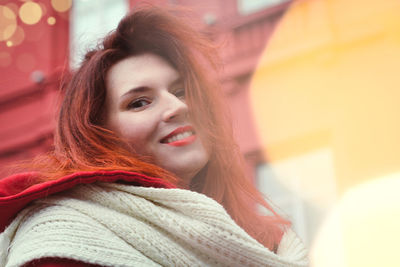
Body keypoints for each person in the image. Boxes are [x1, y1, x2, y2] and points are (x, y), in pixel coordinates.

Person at [0, 6, 308, 267]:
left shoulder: (266, 242)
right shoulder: (62, 239)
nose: (177, 106)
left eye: (179, 90)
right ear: (99, 135)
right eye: (139, 102)